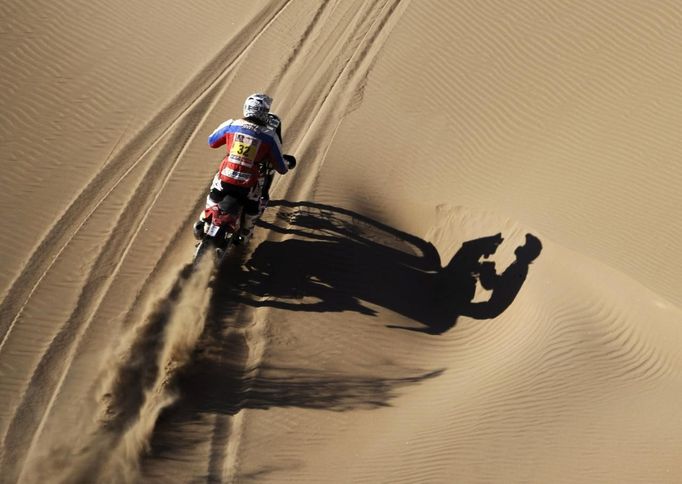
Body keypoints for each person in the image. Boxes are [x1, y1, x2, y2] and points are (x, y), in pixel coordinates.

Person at [193, 93, 290, 243]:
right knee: (254, 207)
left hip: (225, 178)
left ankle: (204, 220)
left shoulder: (231, 125)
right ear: (265, 113)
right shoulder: (270, 136)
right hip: (247, 185)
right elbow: (281, 167)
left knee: (214, 194)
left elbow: (212, 141)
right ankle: (245, 233)